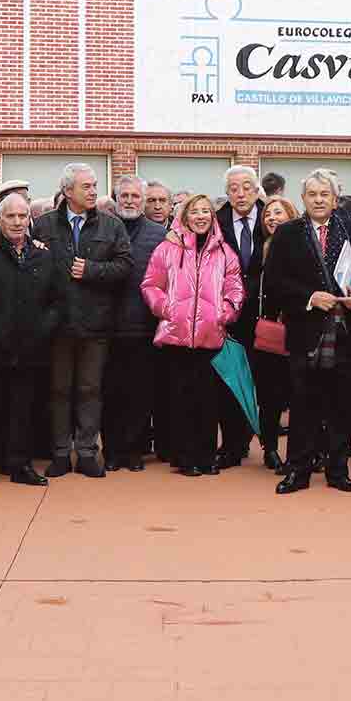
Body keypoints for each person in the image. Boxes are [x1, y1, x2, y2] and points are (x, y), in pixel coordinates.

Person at [264, 171, 351, 494]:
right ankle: (298, 471)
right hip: (305, 331)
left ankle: (338, 471)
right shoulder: (287, 233)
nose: (319, 199)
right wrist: (309, 298)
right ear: (303, 199)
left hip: (346, 331)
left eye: (325, 194)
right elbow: (274, 283)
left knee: (342, 407)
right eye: (312, 194)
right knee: (303, 405)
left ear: (335, 199)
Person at [27, 163, 131, 477]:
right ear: (68, 191)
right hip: (57, 324)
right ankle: (60, 453)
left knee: (90, 389)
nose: (93, 191)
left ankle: (86, 453)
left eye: (95, 185)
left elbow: (125, 266)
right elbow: (31, 268)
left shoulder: (111, 225)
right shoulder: (43, 224)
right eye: (86, 186)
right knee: (58, 390)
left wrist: (92, 270)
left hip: (96, 323)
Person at [141, 193, 244, 477]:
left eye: (205, 211)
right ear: (185, 216)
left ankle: (206, 456)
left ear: (212, 217)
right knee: (180, 399)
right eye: (195, 211)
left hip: (211, 336)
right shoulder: (167, 248)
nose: (200, 216)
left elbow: (235, 288)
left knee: (208, 400)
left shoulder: (225, 252)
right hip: (176, 336)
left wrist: (224, 313)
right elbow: (151, 285)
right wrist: (167, 309)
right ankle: (184, 457)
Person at [0, 193, 63, 489]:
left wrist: (42, 330)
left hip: (31, 349)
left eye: (22, 216)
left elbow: (57, 301)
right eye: (11, 216)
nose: (17, 222)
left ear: (29, 219)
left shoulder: (44, 256)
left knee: (23, 410)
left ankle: (20, 465)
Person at [103, 176, 169, 472]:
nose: (129, 200)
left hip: (144, 325)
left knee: (140, 393)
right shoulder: (102, 228)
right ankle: (112, 451)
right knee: (110, 393)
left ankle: (133, 451)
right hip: (107, 326)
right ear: (116, 199)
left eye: (135, 196)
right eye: (124, 196)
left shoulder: (160, 234)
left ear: (143, 201)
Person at [215, 165, 267, 467]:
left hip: (266, 316)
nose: (241, 193)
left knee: (265, 383)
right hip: (229, 316)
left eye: (247, 187)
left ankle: (268, 445)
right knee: (230, 382)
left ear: (257, 189)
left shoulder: (274, 218)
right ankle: (233, 445)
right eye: (234, 188)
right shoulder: (216, 222)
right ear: (227, 193)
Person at [247, 196, 297, 472]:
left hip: (300, 331)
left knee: (300, 395)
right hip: (269, 334)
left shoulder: (303, 246)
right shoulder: (259, 249)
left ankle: (302, 452)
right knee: (270, 396)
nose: (272, 218)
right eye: (268, 214)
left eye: (278, 213)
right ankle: (270, 449)